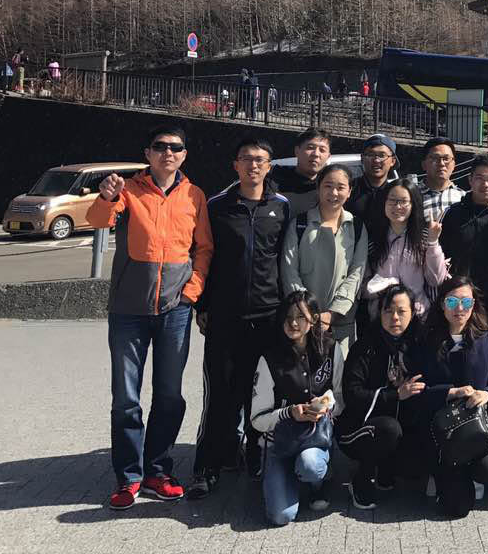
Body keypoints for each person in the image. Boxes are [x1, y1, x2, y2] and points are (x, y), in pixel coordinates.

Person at [87, 124, 213, 511]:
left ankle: (158, 470)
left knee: (170, 395)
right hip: (128, 310)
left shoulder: (194, 195)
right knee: (126, 398)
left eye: (175, 147)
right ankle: (128, 477)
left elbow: (204, 249)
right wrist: (106, 197)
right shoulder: (128, 189)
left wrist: (191, 293)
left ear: (184, 155)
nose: (167, 153)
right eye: (160, 146)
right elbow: (98, 219)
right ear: (148, 153)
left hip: (175, 310)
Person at [190, 138, 292, 497]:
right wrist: (202, 306)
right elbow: (204, 255)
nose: (253, 165)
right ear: (235, 165)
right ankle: (207, 466)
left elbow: (285, 259)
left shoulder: (281, 207)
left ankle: (254, 454)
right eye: (247, 159)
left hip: (268, 316)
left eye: (260, 160)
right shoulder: (217, 206)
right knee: (220, 395)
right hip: (225, 316)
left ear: (269, 166)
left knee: (260, 393)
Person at [402, 275, 488, 517]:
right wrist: (450, 392)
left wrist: (487, 394)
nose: (459, 309)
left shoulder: (485, 338)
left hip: (476, 429)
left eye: (466, 302)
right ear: (442, 304)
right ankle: (441, 473)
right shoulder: (426, 340)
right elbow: (417, 391)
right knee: (456, 507)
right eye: (452, 302)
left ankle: (470, 472)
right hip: (441, 432)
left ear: (474, 305)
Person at [249, 290, 343, 524]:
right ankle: (281, 475)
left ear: (313, 318)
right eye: (288, 317)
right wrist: (288, 413)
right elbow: (257, 419)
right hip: (279, 442)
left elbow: (341, 398)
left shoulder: (331, 348)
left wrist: (325, 405)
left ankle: (319, 482)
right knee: (281, 516)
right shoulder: (269, 358)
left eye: (300, 316)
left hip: (314, 437)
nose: (293, 323)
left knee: (311, 465)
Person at [337, 284, 420, 508]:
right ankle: (361, 479)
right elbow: (352, 395)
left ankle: (387, 468)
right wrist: (395, 395)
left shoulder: (416, 345)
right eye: (388, 311)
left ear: (413, 313)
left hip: (398, 422)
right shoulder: (364, 347)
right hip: (357, 427)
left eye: (401, 311)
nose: (395, 318)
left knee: (416, 454)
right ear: (379, 313)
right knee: (389, 429)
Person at [280, 164, 368, 354]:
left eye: (340, 187)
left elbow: (356, 273)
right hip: (301, 319)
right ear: (318, 188)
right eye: (328, 186)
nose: (333, 192)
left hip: (339, 322)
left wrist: (333, 313)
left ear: (349, 192)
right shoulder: (300, 224)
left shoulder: (356, 226)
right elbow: (289, 269)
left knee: (337, 369)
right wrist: (305, 309)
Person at [439, 153, 488, 329]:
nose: (485, 184)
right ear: (470, 179)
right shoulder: (453, 214)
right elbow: (440, 257)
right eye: (480, 178)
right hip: (458, 304)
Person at [364, 177, 448, 321]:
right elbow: (361, 287)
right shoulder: (373, 239)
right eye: (392, 200)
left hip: (417, 316)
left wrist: (433, 242)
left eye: (403, 201)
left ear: (413, 204)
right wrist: (379, 291)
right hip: (382, 316)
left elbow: (436, 280)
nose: (397, 207)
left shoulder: (424, 236)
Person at [347, 134, 398, 256]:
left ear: (392, 161)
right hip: (349, 255)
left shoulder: (397, 194)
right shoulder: (348, 190)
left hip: (387, 258)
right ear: (362, 158)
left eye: (382, 155)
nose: (376, 160)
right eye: (370, 154)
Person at [271, 129, 332, 216]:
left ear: (328, 157)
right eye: (310, 147)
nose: (316, 154)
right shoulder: (273, 177)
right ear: (297, 151)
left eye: (322, 150)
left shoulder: (329, 190)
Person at [417, 137, 466, 221]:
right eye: (435, 158)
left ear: (454, 165)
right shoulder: (411, 195)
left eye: (446, 159)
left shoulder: (463, 197)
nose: (442, 163)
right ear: (424, 164)